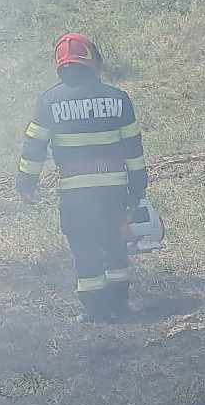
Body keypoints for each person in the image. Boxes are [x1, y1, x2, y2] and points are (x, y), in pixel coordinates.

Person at [16, 33, 149, 323]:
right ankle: (119, 306)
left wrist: (26, 183)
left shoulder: (49, 101)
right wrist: (138, 184)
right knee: (115, 244)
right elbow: (133, 148)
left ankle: (94, 310)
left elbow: (34, 146)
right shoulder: (118, 99)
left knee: (84, 248)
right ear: (94, 62)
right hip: (114, 189)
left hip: (76, 194)